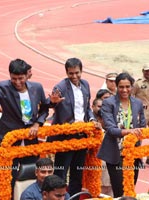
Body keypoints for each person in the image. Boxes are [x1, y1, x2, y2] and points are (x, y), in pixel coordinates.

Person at [0, 58, 62, 198]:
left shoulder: (37, 87)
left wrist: (37, 124)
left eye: (21, 78)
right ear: (10, 76)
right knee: (8, 176)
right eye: (14, 78)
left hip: (30, 140)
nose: (17, 82)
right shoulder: (3, 87)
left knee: (31, 173)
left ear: (27, 75)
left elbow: (44, 109)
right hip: (8, 140)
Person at [46, 57, 100, 200]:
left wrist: (93, 120)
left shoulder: (85, 85)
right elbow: (52, 105)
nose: (74, 76)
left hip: (82, 136)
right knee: (61, 173)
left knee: (77, 172)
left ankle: (74, 198)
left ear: (81, 71)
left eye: (77, 73)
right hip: (65, 136)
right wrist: (53, 103)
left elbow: (86, 108)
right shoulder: (60, 87)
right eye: (71, 73)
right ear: (66, 73)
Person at [97, 72, 146, 197]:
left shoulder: (137, 103)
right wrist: (130, 131)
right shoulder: (108, 103)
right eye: (121, 87)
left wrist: (140, 150)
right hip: (115, 153)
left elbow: (142, 125)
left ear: (132, 87)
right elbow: (111, 129)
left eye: (128, 86)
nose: (124, 90)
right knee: (120, 191)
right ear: (117, 86)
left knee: (130, 189)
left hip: (132, 153)